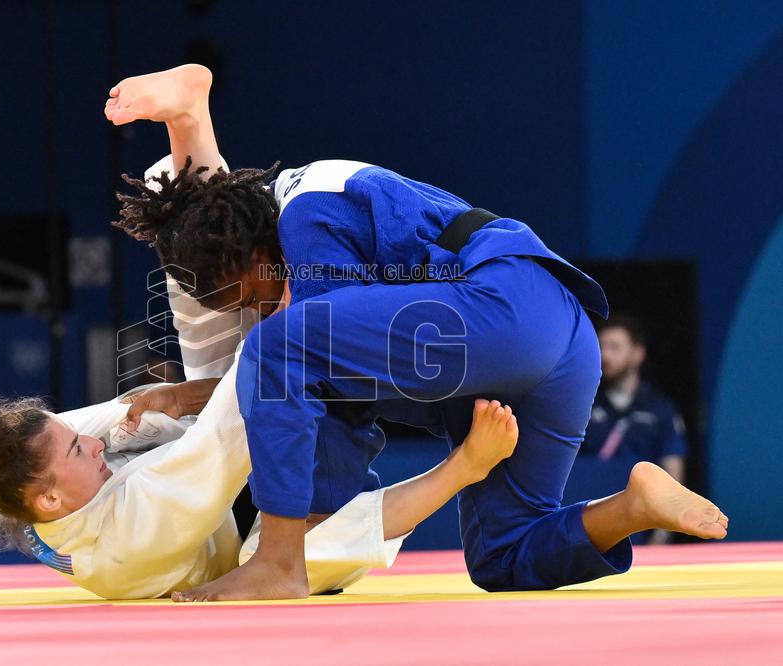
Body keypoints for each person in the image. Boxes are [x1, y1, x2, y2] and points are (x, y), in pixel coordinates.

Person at [106, 64, 729, 601]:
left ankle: (278, 564)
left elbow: (309, 378)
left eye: (255, 293)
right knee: (502, 557)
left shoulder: (305, 216)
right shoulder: (295, 216)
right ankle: (632, 505)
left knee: (281, 349)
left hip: (503, 306)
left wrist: (301, 525)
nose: (266, 305)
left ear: (254, 248)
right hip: (556, 347)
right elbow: (323, 375)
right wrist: (194, 394)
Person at [0, 364, 519, 600]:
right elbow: (221, 436)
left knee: (148, 407)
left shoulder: (43, 489)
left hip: (222, 479)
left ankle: (187, 130)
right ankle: (466, 466)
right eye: (75, 449)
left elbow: (119, 415)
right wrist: (289, 325)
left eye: (75, 435)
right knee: (294, 550)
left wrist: (169, 397)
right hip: (269, 519)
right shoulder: (128, 536)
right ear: (49, 498)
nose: (90, 443)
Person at [563, 314, 688, 545]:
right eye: (601, 346)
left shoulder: (660, 409)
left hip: (642, 530)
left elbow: (672, 466)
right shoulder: (581, 404)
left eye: (615, 347)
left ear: (637, 354)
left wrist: (662, 534)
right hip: (587, 530)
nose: (605, 355)